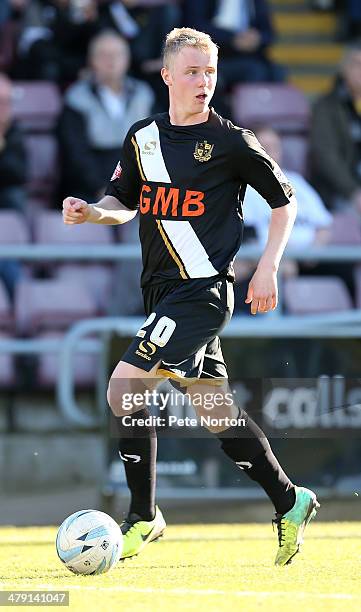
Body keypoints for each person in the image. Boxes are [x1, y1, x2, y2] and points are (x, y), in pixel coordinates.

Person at [62, 27, 319, 567]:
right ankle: (290, 500)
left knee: (124, 386)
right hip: (161, 294)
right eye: (193, 72)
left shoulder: (233, 142)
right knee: (216, 411)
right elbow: (122, 202)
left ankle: (142, 516)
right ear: (167, 75)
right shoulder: (142, 138)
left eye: (210, 71)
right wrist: (92, 212)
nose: (204, 81)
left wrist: (267, 266)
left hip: (202, 294)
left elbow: (284, 202)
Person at [58, 30, 154, 202]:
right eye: (103, 55)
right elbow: (76, 153)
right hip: (91, 187)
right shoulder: (76, 98)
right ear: (91, 61)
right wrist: (100, 187)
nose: (111, 60)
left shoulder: (144, 95)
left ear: (127, 59)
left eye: (118, 54)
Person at [310, 44, 361, 213]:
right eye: (356, 64)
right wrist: (353, 192)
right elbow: (326, 156)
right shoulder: (326, 107)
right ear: (344, 69)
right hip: (339, 193)